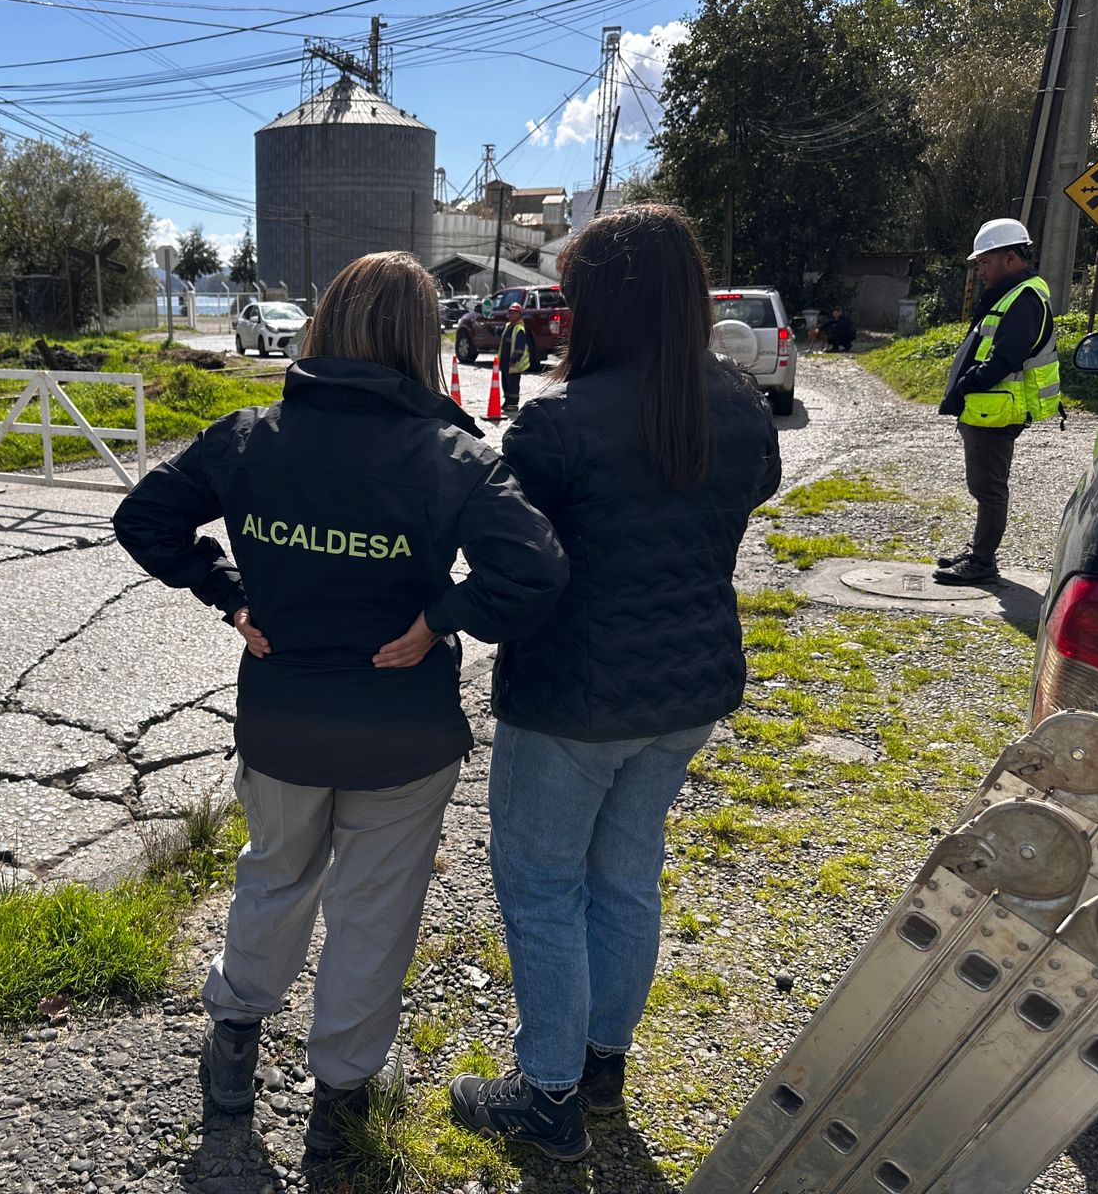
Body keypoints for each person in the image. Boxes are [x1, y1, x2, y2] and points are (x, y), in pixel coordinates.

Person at [112, 251, 568, 1164]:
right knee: (374, 910)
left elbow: (144, 519)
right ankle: (340, 1095)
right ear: (420, 341)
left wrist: (228, 592)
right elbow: (537, 569)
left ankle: (233, 1044)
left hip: (282, 721)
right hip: (401, 732)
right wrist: (443, 617)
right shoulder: (450, 457)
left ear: (321, 329)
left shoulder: (250, 437)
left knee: (273, 875)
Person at [447, 204, 781, 1160]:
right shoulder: (735, 405)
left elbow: (513, 560)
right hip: (689, 690)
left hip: (572, 699)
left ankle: (545, 1095)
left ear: (598, 306)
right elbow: (747, 494)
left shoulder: (557, 422)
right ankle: (598, 1068)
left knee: (544, 886)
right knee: (626, 875)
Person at [933, 218, 1063, 586]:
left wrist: (965, 386)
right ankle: (979, 551)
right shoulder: (1013, 293)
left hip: (996, 410)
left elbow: (1004, 360)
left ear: (1011, 258)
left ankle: (982, 563)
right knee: (984, 486)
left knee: (989, 489)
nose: (982, 271)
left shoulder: (1024, 299)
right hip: (988, 408)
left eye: (986, 262)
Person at [500, 300, 530, 413]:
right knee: (505, 382)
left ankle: (513, 403)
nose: (511, 315)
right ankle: (507, 401)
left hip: (513, 363)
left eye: (514, 313)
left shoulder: (519, 329)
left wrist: (514, 359)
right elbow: (499, 334)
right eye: (510, 312)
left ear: (519, 315)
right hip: (505, 362)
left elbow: (519, 347)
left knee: (513, 383)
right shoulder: (508, 326)